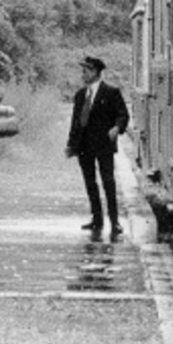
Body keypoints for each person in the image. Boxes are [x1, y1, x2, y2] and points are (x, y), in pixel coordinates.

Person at [65, 55, 130, 240]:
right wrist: (71, 145)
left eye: (85, 71)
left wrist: (117, 128)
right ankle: (97, 218)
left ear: (95, 72)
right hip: (84, 146)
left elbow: (122, 115)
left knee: (108, 182)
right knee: (90, 183)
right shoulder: (80, 95)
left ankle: (115, 221)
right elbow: (75, 122)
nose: (82, 74)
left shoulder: (111, 92)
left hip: (103, 145)